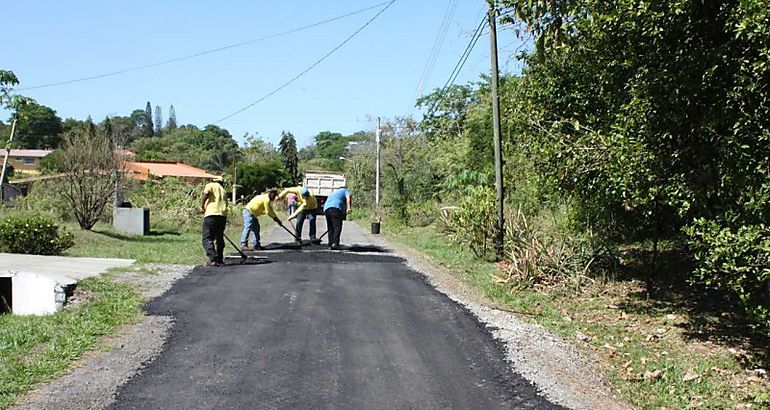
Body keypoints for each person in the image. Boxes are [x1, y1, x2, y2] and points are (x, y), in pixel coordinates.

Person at [199, 176, 228, 266]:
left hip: (211, 215)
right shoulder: (224, 191)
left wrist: (202, 205)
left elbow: (206, 194)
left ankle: (213, 258)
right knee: (219, 237)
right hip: (222, 216)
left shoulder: (211, 185)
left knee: (207, 238)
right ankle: (219, 258)